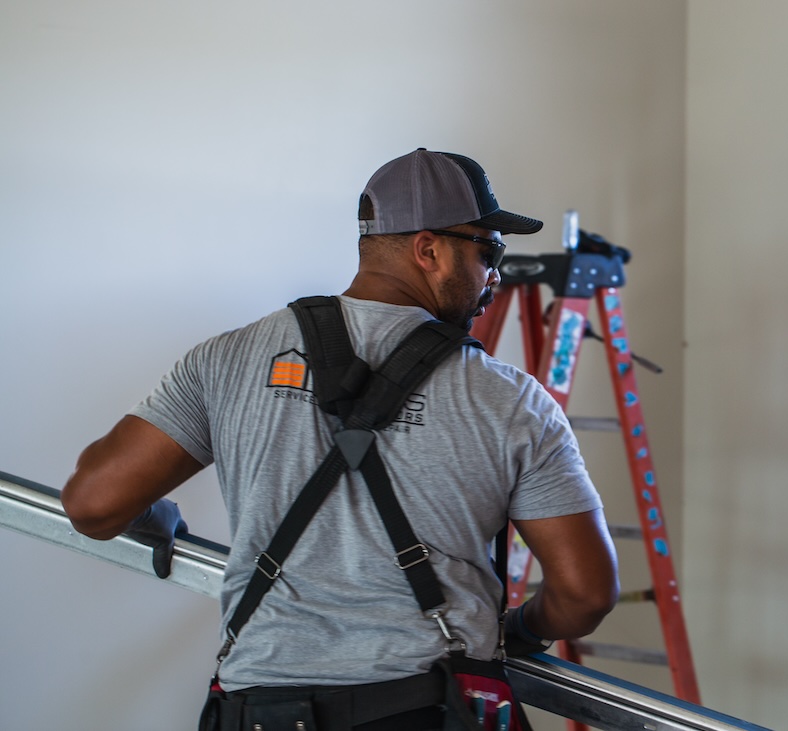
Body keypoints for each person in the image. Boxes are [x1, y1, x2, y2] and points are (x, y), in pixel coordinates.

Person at [61, 148, 619, 730]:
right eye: (487, 250)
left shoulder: (224, 359)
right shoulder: (510, 399)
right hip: (425, 707)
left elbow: (94, 504)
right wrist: (522, 629)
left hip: (262, 710)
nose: (495, 274)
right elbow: (585, 593)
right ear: (428, 249)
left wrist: (151, 516)